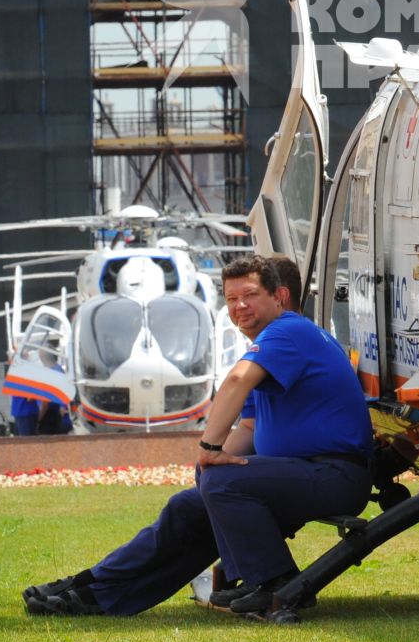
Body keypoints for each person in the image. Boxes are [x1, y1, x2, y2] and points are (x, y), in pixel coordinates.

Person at [22, 255, 370, 618]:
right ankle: (96, 590)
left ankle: (276, 583)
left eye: (249, 296)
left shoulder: (289, 331)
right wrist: (205, 474)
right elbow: (249, 428)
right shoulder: (269, 346)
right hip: (297, 473)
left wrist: (208, 451)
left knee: (221, 482)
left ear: (279, 297)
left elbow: (235, 382)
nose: (240, 307)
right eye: (231, 299)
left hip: (333, 475)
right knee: (188, 505)